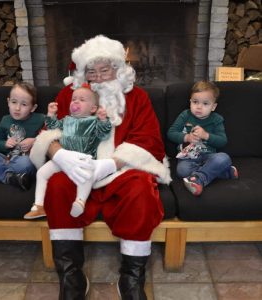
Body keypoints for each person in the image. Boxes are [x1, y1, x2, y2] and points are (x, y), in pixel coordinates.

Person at [30, 35, 172, 299]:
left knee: (142, 188)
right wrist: (60, 156)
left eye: (104, 70)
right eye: (91, 72)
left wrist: (109, 164)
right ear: (82, 73)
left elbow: (149, 141)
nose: (97, 78)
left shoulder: (138, 98)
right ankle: (71, 276)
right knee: (58, 185)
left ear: (118, 70)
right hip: (76, 170)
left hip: (122, 170)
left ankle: (131, 278)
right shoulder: (68, 96)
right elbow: (46, 134)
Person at [24, 85, 112, 219]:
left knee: (86, 176)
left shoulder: (93, 122)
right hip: (63, 159)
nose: (75, 102)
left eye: (82, 100)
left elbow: (104, 133)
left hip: (84, 159)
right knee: (41, 173)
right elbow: (53, 127)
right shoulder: (66, 120)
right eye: (74, 99)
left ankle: (80, 201)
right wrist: (51, 115)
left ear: (93, 108)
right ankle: (39, 205)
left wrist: (103, 120)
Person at [167, 80, 238, 196]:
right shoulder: (185, 115)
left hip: (209, 156)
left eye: (205, 104)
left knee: (224, 158)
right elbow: (171, 133)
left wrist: (206, 135)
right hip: (188, 158)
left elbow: (222, 141)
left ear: (213, 106)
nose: (199, 107)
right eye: (195, 102)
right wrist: (187, 137)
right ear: (190, 102)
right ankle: (224, 173)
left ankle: (198, 179)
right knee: (181, 171)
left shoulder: (216, 119)